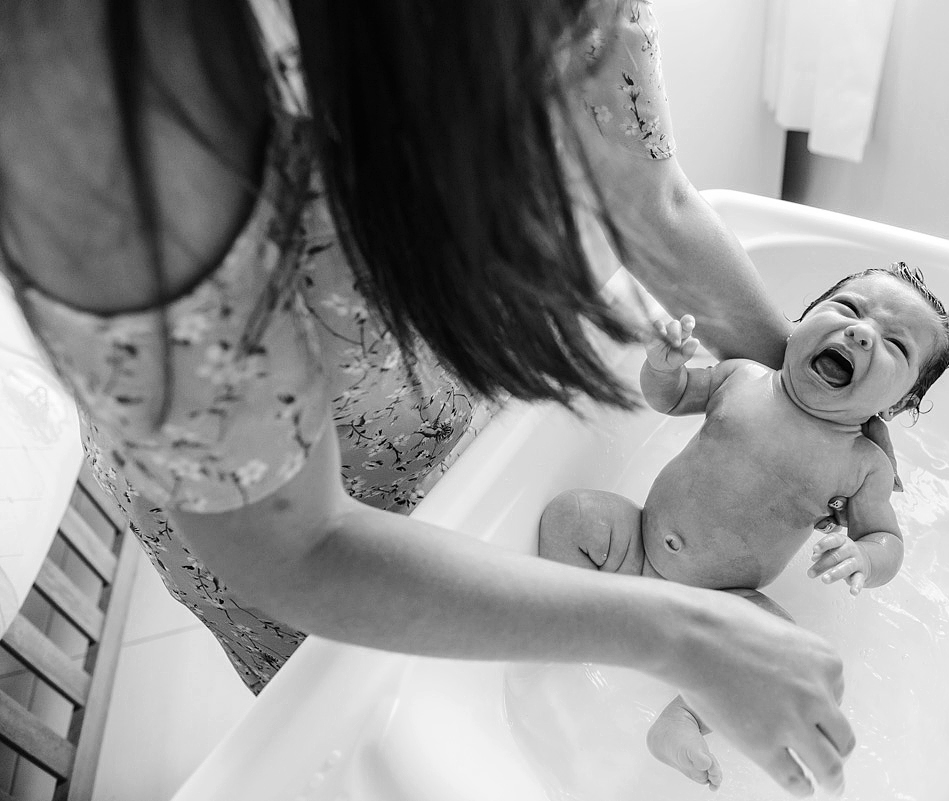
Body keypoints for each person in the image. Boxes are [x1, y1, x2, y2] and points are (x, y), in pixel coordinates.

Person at [0, 0, 871, 794]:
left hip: (456, 387)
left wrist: (823, 419)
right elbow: (293, 547)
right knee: (388, 738)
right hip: (276, 510)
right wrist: (686, 634)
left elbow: (656, 202)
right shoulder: (105, 105)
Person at [539, 262, 949, 788]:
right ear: (801, 322)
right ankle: (571, 627)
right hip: (637, 546)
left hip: (728, 601)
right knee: (572, 514)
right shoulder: (741, 377)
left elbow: (886, 540)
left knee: (802, 666)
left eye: (895, 345)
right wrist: (664, 366)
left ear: (897, 406)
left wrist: (865, 557)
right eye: (849, 309)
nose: (860, 331)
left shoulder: (861, 464)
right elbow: (668, 399)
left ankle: (686, 717)